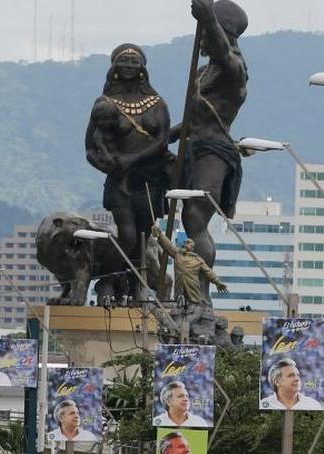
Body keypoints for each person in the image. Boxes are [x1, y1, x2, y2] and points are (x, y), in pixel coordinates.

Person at [174, 0, 250, 302]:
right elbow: (193, 121)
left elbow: (221, 47)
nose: (202, 37)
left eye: (207, 31)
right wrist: (162, 138)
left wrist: (206, 13)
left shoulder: (234, 68)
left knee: (195, 218)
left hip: (214, 152)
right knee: (181, 214)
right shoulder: (206, 70)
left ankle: (199, 296)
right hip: (193, 147)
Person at [85, 43, 171, 293]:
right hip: (120, 181)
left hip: (151, 180)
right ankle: (108, 278)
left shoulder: (157, 103)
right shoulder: (105, 103)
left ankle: (134, 284)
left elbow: (162, 141)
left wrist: (132, 160)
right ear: (114, 67)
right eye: (124, 61)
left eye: (135, 62)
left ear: (143, 67)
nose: (129, 67)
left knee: (144, 240)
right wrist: (108, 165)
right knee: (128, 236)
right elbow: (90, 147)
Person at [151, 225, 228, 305]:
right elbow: (168, 245)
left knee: (194, 308)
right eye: (184, 242)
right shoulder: (178, 254)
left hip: (192, 290)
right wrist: (159, 234)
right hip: (179, 290)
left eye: (188, 242)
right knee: (179, 309)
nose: (185, 243)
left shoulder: (197, 260)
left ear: (192, 247)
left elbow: (208, 271)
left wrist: (218, 282)